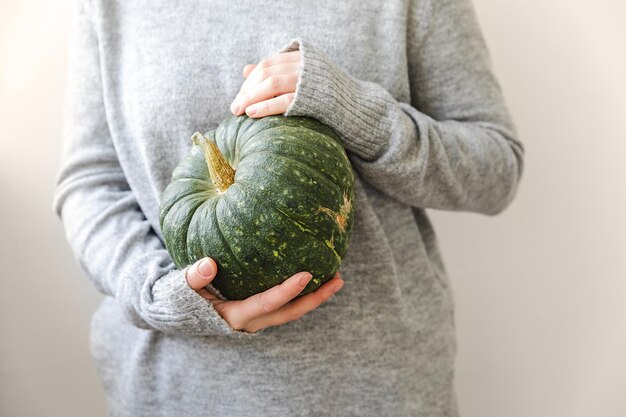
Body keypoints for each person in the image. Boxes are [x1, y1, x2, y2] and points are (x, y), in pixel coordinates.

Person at [53, 0, 524, 415]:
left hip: (372, 389)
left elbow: (496, 170)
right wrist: (163, 293)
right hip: (176, 388)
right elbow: (90, 180)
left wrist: (353, 110)